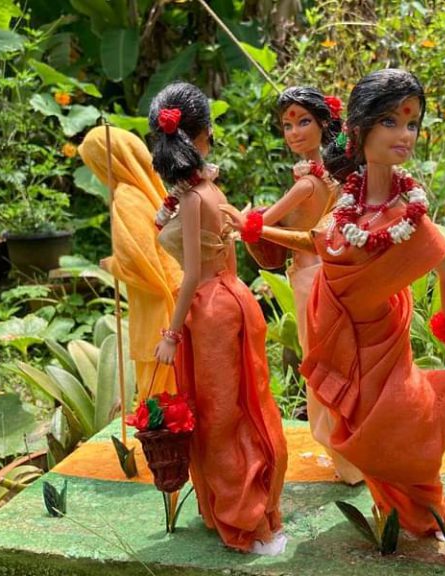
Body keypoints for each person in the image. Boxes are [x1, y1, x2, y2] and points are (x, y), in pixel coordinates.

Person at [223, 69, 445, 538]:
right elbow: (319, 240)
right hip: (340, 330)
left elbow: (444, 267)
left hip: (383, 336)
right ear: (359, 129)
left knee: (394, 427)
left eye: (411, 123)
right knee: (357, 427)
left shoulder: (405, 210)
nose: (405, 135)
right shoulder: (346, 202)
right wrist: (260, 230)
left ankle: (423, 514)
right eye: (391, 122)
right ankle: (388, 509)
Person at [149, 82, 288, 554]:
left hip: (209, 308)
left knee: (218, 417)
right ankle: (254, 505)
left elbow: (190, 275)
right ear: (204, 134)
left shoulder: (193, 199)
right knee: (242, 407)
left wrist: (171, 332)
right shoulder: (205, 189)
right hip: (233, 296)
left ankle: (242, 514)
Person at [240, 86, 363, 485]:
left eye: (303, 121)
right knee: (336, 360)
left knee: (319, 363)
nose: (293, 132)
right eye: (287, 125)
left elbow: (259, 228)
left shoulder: (309, 183)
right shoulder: (338, 179)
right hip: (327, 275)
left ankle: (345, 455)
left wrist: (239, 219)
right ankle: (352, 454)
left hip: (312, 278)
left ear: (324, 124)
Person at [79, 126, 182, 401]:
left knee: (159, 392)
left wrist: (112, 265)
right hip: (174, 298)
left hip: (156, 306)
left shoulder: (126, 198)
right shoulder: (149, 190)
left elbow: (141, 263)